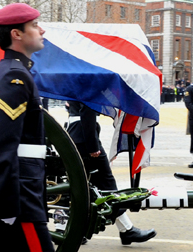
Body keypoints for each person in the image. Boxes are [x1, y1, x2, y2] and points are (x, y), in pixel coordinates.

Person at [0, 3, 55, 252]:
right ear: (16, 34)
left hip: (17, 191)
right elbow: (2, 145)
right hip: (18, 197)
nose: (41, 30)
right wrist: (9, 206)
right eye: (34, 25)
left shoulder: (15, 72)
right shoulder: (14, 77)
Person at [65, 101, 157, 245]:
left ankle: (125, 230)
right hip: (84, 136)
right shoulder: (90, 79)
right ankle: (127, 230)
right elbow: (87, 110)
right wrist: (92, 145)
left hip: (78, 133)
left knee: (87, 187)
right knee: (107, 186)